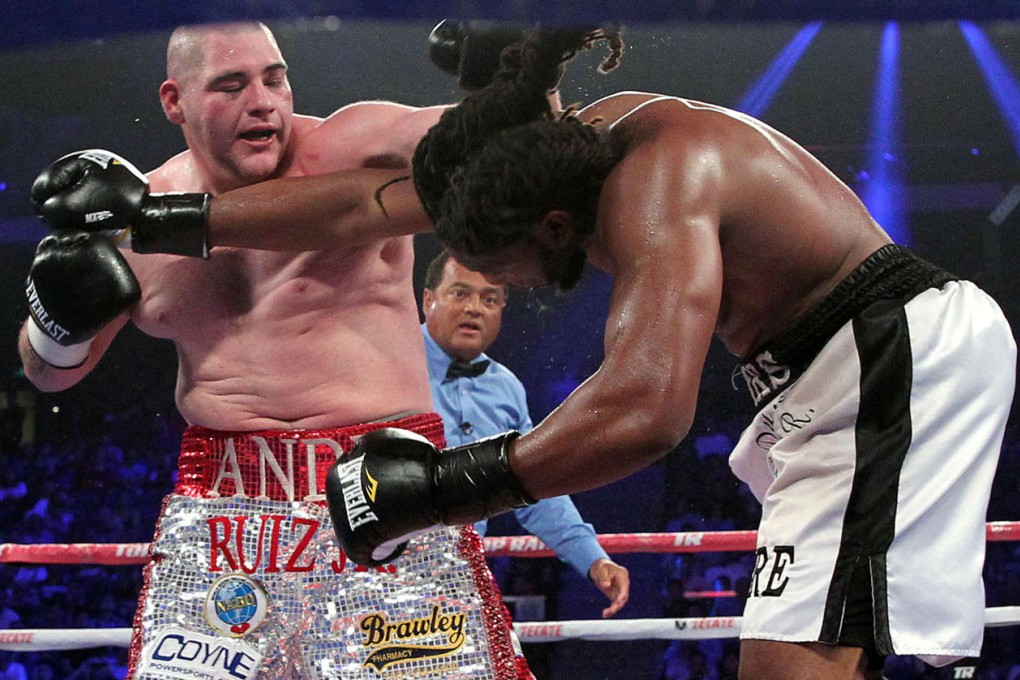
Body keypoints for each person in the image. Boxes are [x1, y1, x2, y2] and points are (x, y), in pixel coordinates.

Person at [29, 25, 1016, 679]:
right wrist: (159, 222)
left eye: (508, 268)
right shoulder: (557, 154)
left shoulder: (657, 185)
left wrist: (441, 486)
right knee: (801, 662)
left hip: (884, 350)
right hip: (815, 377)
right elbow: (345, 207)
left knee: (809, 661)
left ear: (549, 220)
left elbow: (648, 407)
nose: (519, 291)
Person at [19, 21, 535, 680]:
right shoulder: (134, 217)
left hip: (382, 487)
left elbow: (516, 143)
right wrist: (55, 321)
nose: (262, 102)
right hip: (224, 508)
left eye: (275, 78)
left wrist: (511, 60)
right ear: (175, 101)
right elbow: (49, 375)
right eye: (231, 85)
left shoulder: (352, 149)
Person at [421, 250, 630, 619]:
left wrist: (593, 559)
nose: (474, 308)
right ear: (428, 300)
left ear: (501, 310)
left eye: (489, 299)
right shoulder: (389, 367)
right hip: (372, 573)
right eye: (460, 293)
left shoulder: (506, 389)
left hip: (454, 586)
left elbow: (532, 486)